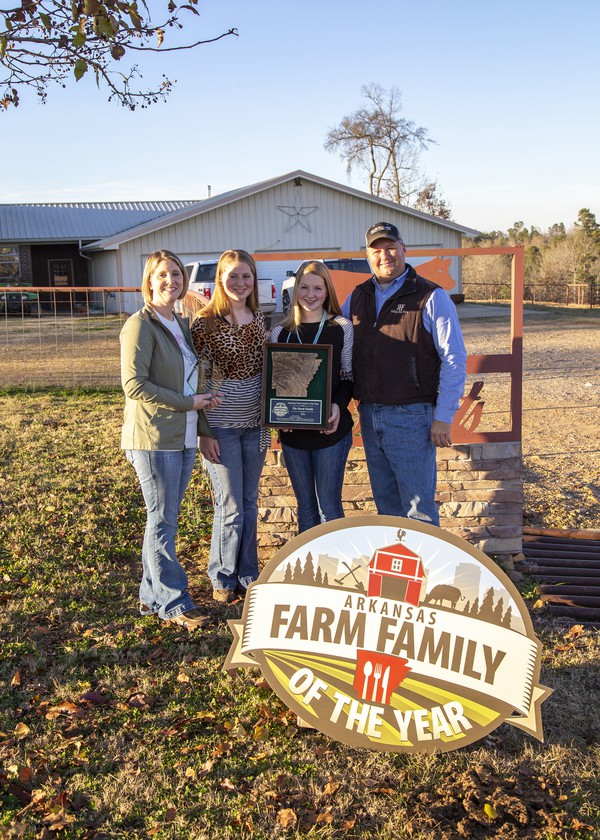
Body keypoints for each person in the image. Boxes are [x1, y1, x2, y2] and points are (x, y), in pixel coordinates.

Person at [120, 249, 221, 631]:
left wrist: (203, 417)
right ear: (149, 281)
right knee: (162, 519)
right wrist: (188, 403)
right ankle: (174, 600)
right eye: (162, 275)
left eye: (176, 274)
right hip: (153, 437)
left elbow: (192, 381)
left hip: (183, 435)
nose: (170, 281)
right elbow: (134, 385)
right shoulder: (139, 325)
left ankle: (151, 596)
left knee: (164, 518)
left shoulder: (180, 322)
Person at [341, 222, 467, 526]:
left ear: (403, 249)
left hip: (411, 416)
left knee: (418, 511)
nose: (385, 255)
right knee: (387, 508)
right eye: (376, 250)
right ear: (367, 255)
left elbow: (454, 358)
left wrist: (444, 416)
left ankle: (424, 572)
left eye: (390, 247)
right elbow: (332, 340)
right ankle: (397, 575)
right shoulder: (357, 297)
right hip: (369, 414)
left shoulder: (431, 297)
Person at [190, 249, 268, 603]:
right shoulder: (204, 323)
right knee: (230, 503)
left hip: (255, 423)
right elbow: (194, 381)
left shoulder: (259, 318)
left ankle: (248, 573)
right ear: (220, 279)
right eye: (232, 275)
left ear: (254, 280)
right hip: (219, 426)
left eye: (246, 276)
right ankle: (222, 576)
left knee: (250, 501)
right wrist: (203, 430)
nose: (239, 283)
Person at [270, 261, 354, 533]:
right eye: (303, 287)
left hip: (330, 432)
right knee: (305, 507)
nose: (310, 294)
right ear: (295, 291)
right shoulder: (279, 332)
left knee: (329, 506)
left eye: (317, 288)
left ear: (327, 291)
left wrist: (337, 406)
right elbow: (274, 386)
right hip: (293, 433)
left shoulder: (341, 327)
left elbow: (348, 377)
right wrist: (278, 416)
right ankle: (310, 572)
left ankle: (337, 570)